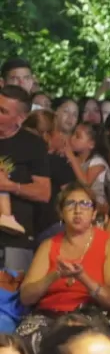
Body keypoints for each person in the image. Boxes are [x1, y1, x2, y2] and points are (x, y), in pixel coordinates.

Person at [16, 184, 110, 350]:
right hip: (48, 315)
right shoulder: (49, 245)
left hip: (89, 315)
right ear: (61, 213)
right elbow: (26, 296)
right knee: (23, 344)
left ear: (94, 213)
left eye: (85, 204)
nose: (78, 210)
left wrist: (83, 277)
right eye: (70, 204)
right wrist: (54, 275)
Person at [0, 86, 52, 272]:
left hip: (15, 240)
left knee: (10, 297)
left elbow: (44, 192)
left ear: (20, 119)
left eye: (3, 111)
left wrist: (10, 186)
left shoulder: (32, 145)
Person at [61, 122, 110, 216]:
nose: (72, 138)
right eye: (73, 134)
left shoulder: (97, 161)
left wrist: (72, 158)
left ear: (91, 144)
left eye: (78, 136)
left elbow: (85, 183)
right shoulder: (74, 160)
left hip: (97, 207)